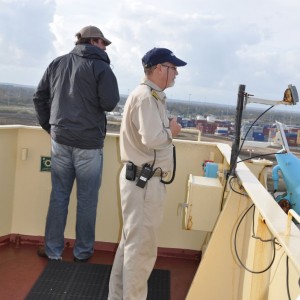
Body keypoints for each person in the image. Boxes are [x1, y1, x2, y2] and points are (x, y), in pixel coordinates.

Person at [33, 25, 119, 262]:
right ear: (93, 41)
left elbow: (39, 97)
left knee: (58, 195)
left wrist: (49, 128)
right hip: (89, 144)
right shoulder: (101, 67)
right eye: (103, 43)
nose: (105, 47)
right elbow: (110, 103)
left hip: (60, 141)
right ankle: (82, 253)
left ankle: (52, 250)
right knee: (87, 200)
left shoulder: (57, 63)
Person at [108, 47, 186, 299]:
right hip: (143, 184)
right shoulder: (146, 97)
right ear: (159, 68)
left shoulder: (151, 96)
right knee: (140, 251)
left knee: (131, 245)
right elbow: (152, 138)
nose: (175, 73)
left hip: (140, 181)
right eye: (173, 68)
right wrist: (172, 131)